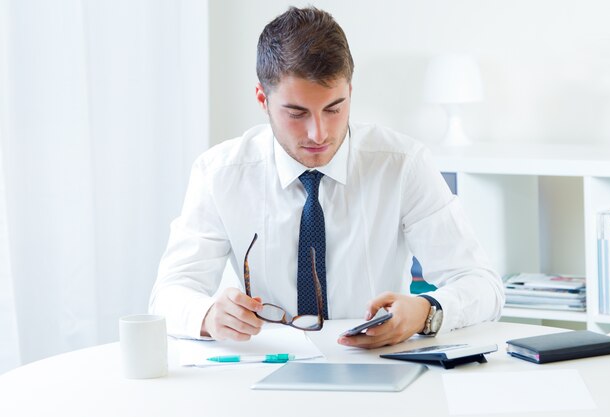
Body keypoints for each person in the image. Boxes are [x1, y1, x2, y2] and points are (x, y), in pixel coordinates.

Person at [149, 6, 504, 349]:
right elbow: (168, 294)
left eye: (334, 109)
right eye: (296, 112)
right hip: (264, 367)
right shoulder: (220, 173)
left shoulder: (403, 164)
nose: (318, 133)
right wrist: (208, 314)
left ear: (350, 92)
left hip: (379, 368)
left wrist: (426, 311)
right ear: (262, 98)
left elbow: (482, 285)